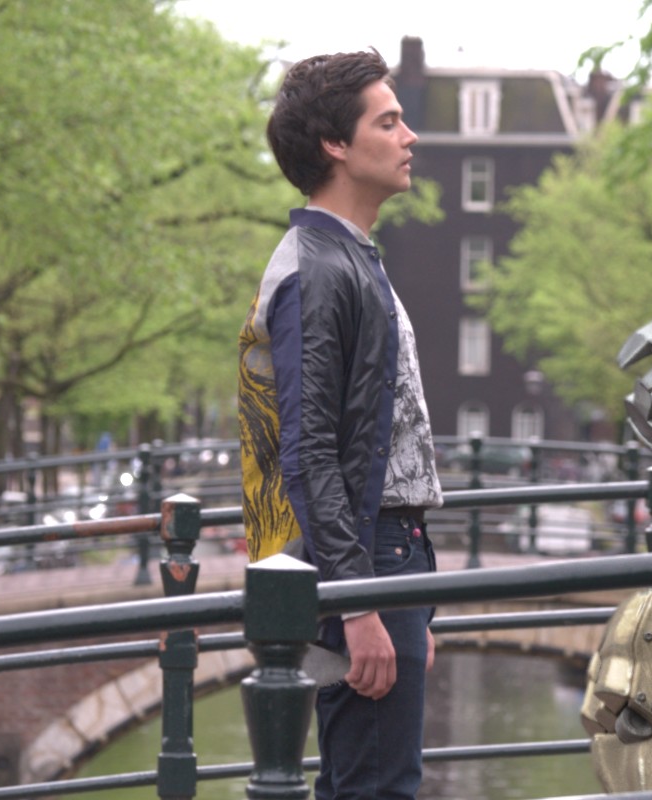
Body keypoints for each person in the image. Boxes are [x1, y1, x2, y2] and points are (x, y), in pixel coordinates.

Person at [240, 48, 443, 800]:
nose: (408, 137)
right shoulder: (318, 272)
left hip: (385, 554)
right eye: (387, 123)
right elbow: (310, 450)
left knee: (368, 778)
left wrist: (414, 601)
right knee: (377, 786)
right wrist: (358, 604)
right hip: (368, 557)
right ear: (335, 144)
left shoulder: (345, 257)